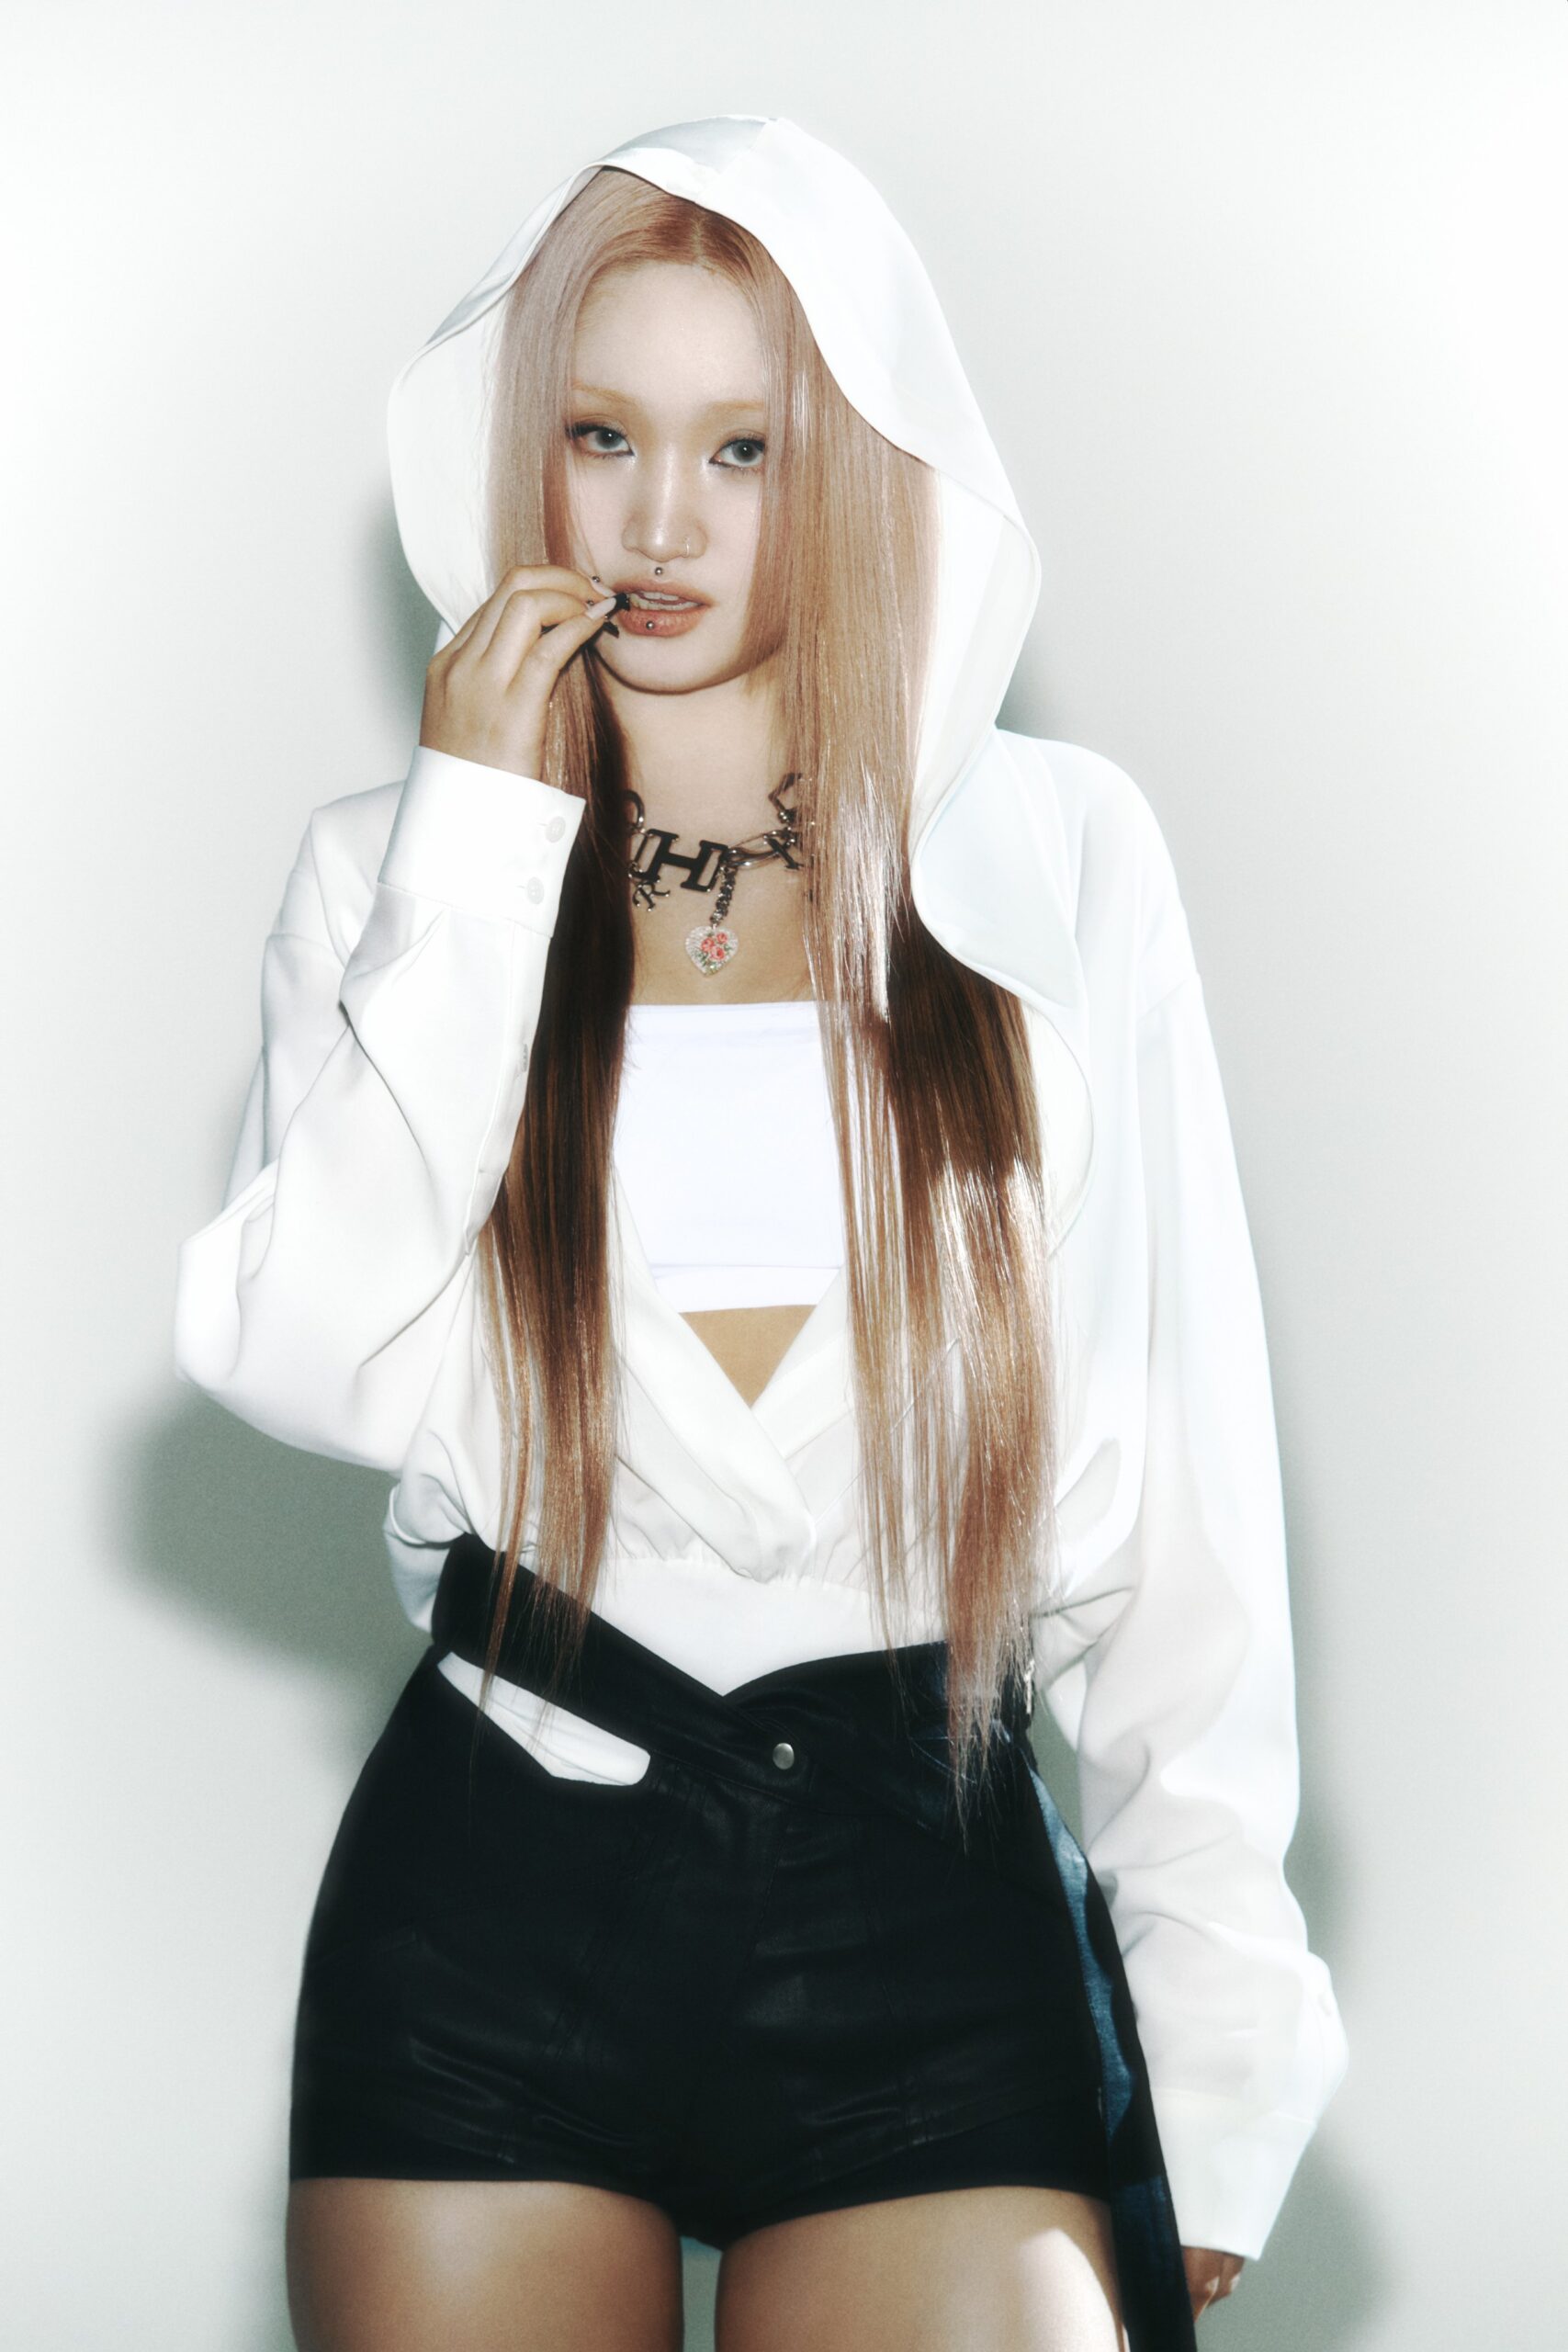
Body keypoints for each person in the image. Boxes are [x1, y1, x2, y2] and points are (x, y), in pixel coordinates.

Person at [174, 114, 1348, 2352]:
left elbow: (1185, 1492)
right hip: (492, 1893)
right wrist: (476, 842)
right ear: (523, 452)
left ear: (864, 473)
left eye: (744, 449)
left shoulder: (1053, 858)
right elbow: (301, 1359)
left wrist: (1215, 2036)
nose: (656, 521)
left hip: (931, 1897)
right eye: (601, 435)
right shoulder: (389, 871)